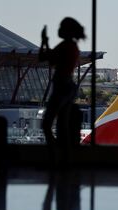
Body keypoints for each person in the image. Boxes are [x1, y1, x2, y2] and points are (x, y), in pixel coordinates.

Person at [39, 17, 85, 148]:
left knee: (47, 125)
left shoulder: (65, 46)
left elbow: (43, 58)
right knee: (63, 126)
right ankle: (63, 157)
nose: (59, 30)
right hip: (67, 87)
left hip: (61, 87)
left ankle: (55, 155)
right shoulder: (73, 47)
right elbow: (51, 60)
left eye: (61, 27)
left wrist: (44, 42)